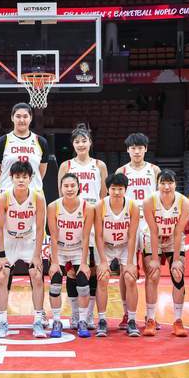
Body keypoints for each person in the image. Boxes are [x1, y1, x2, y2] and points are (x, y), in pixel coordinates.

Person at [57, 123, 108, 330]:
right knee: (72, 270)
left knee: (92, 270)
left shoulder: (100, 165)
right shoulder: (66, 166)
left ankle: (88, 316)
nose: (80, 144)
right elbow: (62, 195)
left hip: (93, 219)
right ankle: (75, 314)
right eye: (77, 141)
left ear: (90, 142)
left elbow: (103, 195)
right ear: (73, 144)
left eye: (84, 140)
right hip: (73, 220)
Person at [0, 161, 47, 338]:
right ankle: (2, 320)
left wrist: (37, 255)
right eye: (17, 177)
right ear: (11, 178)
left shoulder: (38, 198)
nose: (21, 180)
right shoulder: (3, 197)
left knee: (37, 275)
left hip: (28, 240)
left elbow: (40, 229)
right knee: (2, 276)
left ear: (31, 178)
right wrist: (1, 255)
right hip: (9, 240)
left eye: (25, 177)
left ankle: (38, 320)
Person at [116, 132, 160, 329]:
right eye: (133, 148)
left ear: (146, 149)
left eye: (140, 148)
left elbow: (160, 198)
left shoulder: (154, 170)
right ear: (128, 150)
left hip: (149, 222)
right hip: (128, 222)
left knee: (152, 270)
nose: (136, 151)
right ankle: (127, 313)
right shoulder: (122, 171)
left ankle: (151, 316)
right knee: (126, 271)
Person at [142, 169, 189, 337]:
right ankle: (150, 318)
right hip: (153, 237)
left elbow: (178, 232)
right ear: (157, 184)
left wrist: (176, 260)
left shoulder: (184, 202)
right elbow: (153, 231)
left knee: (178, 273)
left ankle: (178, 320)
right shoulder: (149, 201)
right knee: (153, 273)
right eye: (163, 183)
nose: (166, 186)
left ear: (175, 184)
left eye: (170, 183)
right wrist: (155, 259)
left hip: (172, 238)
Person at [47, 173, 94, 338]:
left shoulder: (88, 207)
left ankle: (82, 320)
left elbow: (86, 237)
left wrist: (84, 263)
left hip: (78, 250)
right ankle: (57, 321)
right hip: (59, 250)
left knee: (83, 283)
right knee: (55, 285)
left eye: (72, 185)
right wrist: (54, 262)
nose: (69, 189)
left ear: (78, 187)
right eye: (66, 186)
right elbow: (53, 236)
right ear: (61, 188)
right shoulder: (53, 206)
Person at [94, 173, 140, 337]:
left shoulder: (133, 206)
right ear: (108, 189)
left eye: (120, 189)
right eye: (113, 189)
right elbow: (98, 235)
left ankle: (131, 320)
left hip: (125, 245)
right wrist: (103, 261)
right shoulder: (100, 206)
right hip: (105, 245)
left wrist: (130, 263)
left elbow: (132, 236)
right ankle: (102, 320)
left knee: (130, 278)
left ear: (125, 190)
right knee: (103, 278)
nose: (117, 192)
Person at [0, 103, 49, 193]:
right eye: (18, 116)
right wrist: (11, 182)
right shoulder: (2, 141)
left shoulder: (41, 142)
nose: (22, 120)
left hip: (34, 192)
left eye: (25, 116)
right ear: (12, 118)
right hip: (8, 192)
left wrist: (27, 184)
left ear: (31, 118)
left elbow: (41, 172)